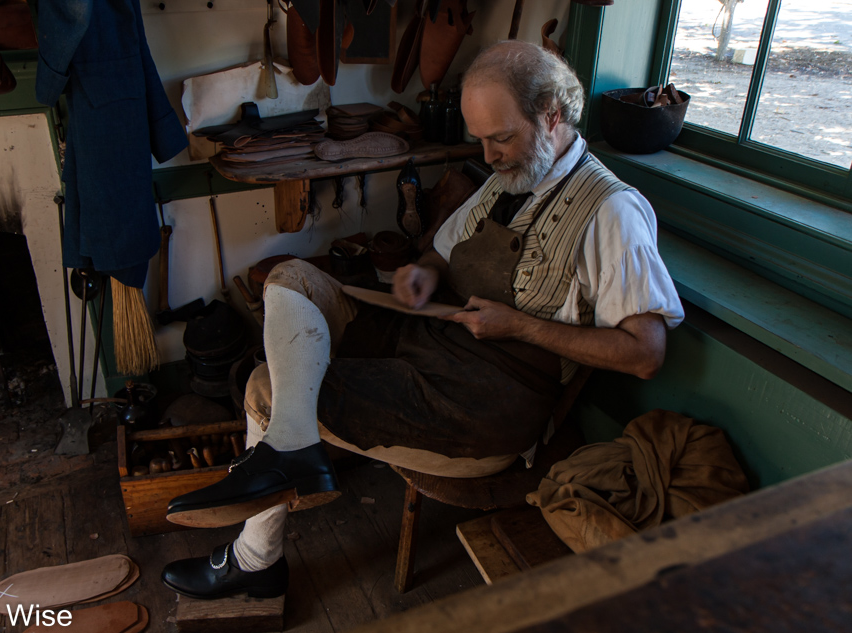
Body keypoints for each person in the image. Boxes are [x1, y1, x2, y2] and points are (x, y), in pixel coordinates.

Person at [160, 39, 685, 600]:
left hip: (485, 399)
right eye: (481, 139)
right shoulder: (510, 176)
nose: (488, 155)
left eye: (501, 137)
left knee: (269, 387)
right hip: (430, 337)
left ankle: (255, 558)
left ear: (552, 116)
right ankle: (293, 452)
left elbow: (645, 353)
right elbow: (441, 252)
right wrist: (425, 274)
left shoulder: (611, 211)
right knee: (291, 275)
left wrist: (522, 326)